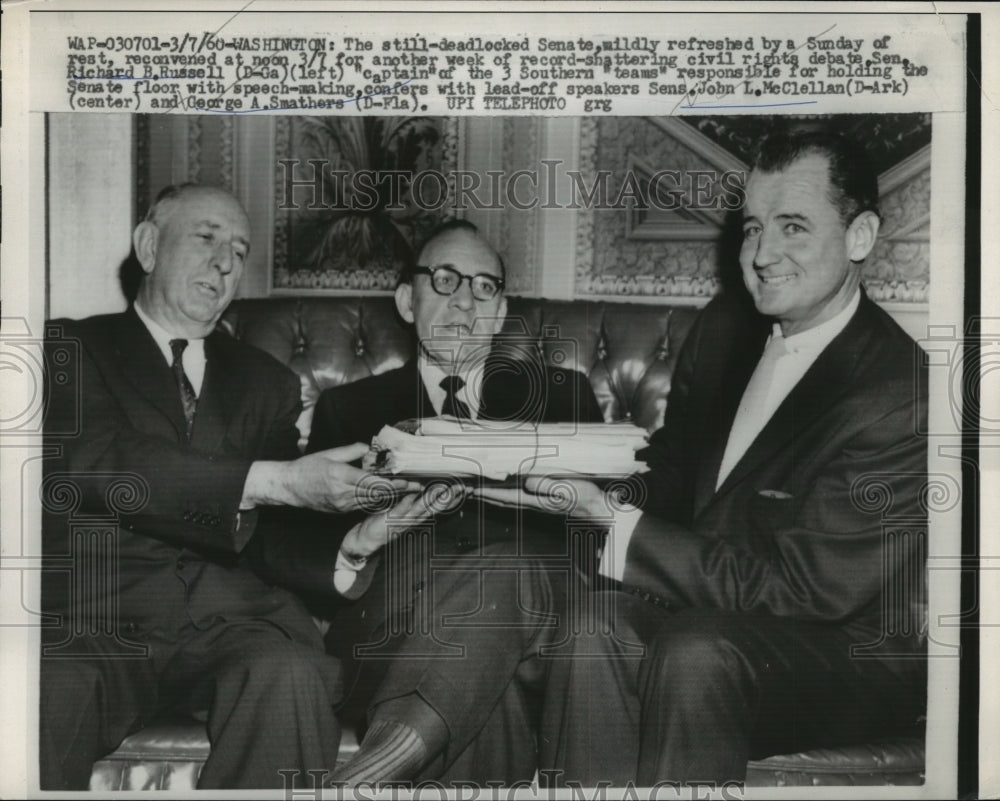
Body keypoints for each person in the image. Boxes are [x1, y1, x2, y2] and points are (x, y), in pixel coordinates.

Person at [477, 130, 929, 785]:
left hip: (844, 653)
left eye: (792, 227)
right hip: (718, 615)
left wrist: (608, 518)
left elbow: (803, 589)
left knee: (695, 651)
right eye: (752, 228)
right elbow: (672, 475)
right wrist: (571, 486)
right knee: (591, 622)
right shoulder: (724, 330)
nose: (763, 254)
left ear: (859, 237)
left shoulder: (896, 389)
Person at [39, 184, 452, 790]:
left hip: (233, 622)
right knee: (43, 686)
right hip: (98, 619)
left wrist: (352, 544)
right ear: (149, 246)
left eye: (240, 249)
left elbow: (275, 532)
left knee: (289, 672)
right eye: (206, 238)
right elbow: (100, 461)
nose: (227, 262)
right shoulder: (67, 347)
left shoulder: (267, 382)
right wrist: (276, 481)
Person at [246, 219, 604, 785]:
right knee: (494, 692)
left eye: (484, 287)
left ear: (502, 308)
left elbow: (603, 538)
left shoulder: (563, 397)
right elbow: (286, 547)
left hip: (539, 634)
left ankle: (365, 777)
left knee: (505, 592)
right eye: (445, 280)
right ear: (407, 301)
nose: (466, 301)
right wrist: (358, 542)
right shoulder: (349, 409)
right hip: (392, 640)